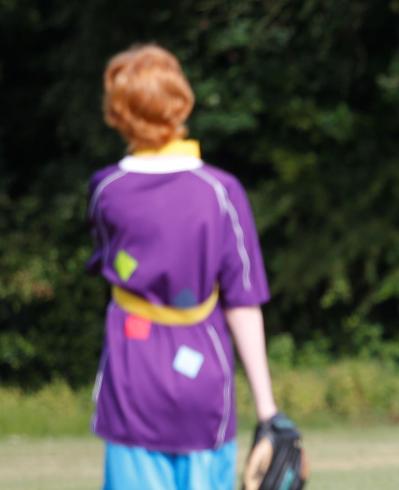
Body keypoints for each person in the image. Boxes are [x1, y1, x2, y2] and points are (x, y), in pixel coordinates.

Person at [87, 43, 297, 489]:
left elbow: (111, 260)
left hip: (132, 376)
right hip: (203, 377)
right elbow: (242, 301)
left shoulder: (107, 191)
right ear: (181, 103)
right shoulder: (221, 191)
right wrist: (268, 411)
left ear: (117, 115)